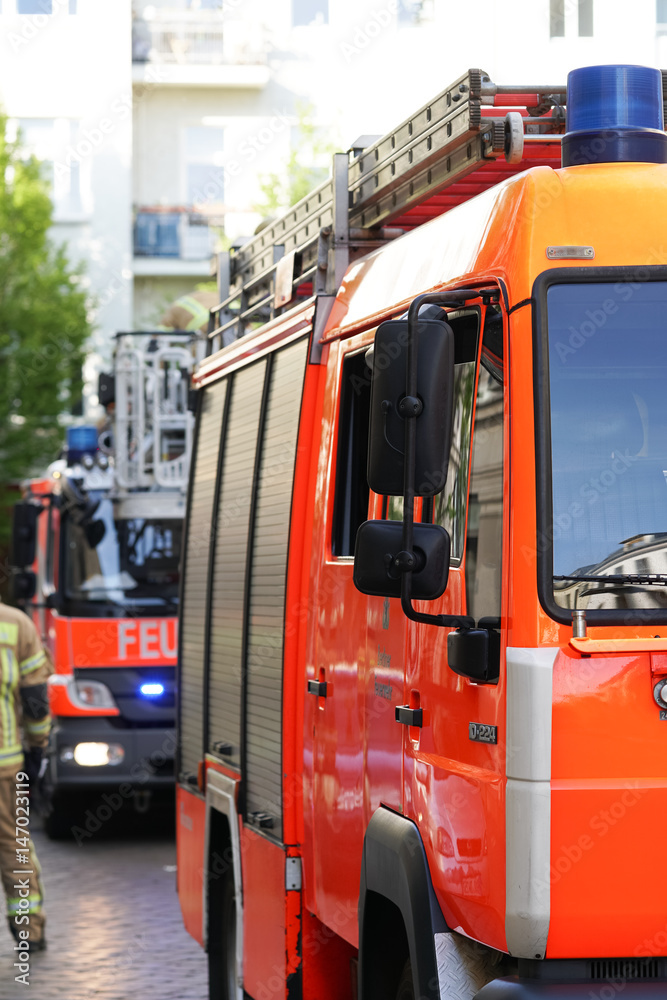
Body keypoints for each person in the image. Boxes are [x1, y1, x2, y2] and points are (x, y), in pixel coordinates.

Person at [0, 599, 51, 951]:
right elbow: (35, 699)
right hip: (5, 763)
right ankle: (28, 930)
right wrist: (37, 748)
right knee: (13, 843)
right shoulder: (15, 623)